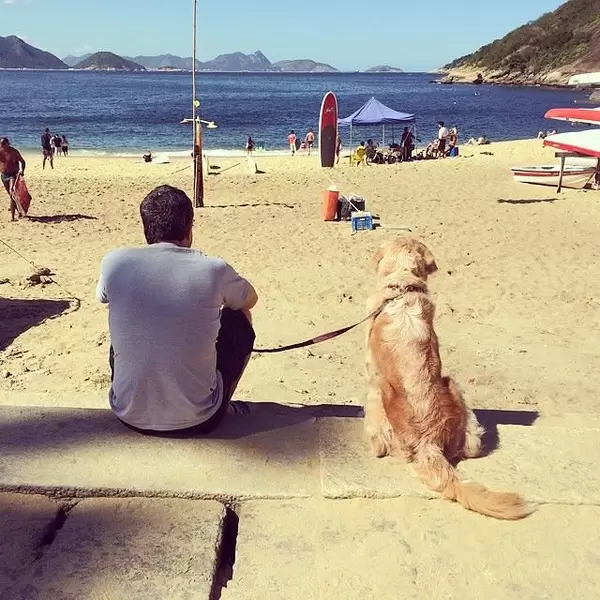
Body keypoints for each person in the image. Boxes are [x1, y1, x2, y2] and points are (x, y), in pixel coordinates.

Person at [97, 185, 258, 436]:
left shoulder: (114, 262)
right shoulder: (212, 268)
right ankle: (222, 402)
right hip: (200, 419)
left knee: (129, 328)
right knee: (239, 319)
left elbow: (102, 297)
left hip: (127, 414)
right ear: (189, 227)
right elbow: (250, 301)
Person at [0, 137, 26, 222]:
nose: (2, 146)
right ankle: (19, 210)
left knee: (12, 193)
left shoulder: (14, 152)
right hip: (4, 175)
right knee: (12, 196)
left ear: (8, 143)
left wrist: (22, 170)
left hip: (13, 175)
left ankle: (12, 217)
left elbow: (23, 161)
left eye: (3, 144)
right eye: (1, 144)